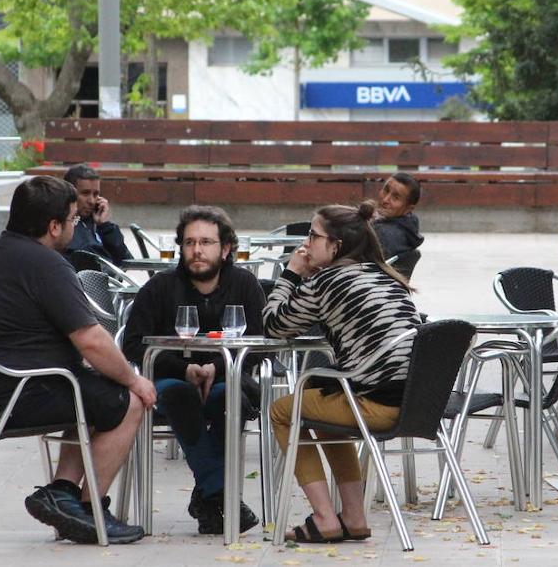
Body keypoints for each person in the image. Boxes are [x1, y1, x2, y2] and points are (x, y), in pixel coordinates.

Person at [0, 175, 158, 545]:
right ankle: (93, 511)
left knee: (89, 391)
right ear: (53, 226)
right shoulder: (46, 264)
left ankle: (62, 495)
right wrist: (134, 380)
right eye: (75, 219)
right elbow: (92, 340)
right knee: (127, 402)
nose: (76, 226)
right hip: (14, 397)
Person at [263, 202, 422, 544]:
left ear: (335, 245)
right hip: (416, 402)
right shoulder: (384, 275)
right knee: (323, 403)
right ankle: (353, 516)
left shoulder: (327, 282)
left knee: (281, 411)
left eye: (312, 235)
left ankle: (324, 518)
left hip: (377, 406)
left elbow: (274, 325)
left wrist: (291, 273)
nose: (305, 244)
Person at [121, 205, 266, 535]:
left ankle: (209, 497)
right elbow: (133, 343)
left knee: (228, 398)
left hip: (228, 378)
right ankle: (219, 495)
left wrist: (216, 367)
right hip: (172, 379)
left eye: (206, 242)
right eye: (189, 242)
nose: (197, 250)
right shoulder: (160, 287)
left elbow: (259, 344)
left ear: (225, 248)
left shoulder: (244, 285)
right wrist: (185, 370)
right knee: (179, 394)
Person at [63, 164, 134, 264]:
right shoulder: (64, 226)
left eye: (96, 194)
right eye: (85, 193)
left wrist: (105, 227)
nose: (91, 201)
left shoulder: (97, 223)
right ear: (69, 194)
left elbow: (125, 260)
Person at [372, 172, 424, 259]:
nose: (385, 200)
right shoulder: (407, 229)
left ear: (408, 209)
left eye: (396, 197)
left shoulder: (383, 235)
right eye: (386, 190)